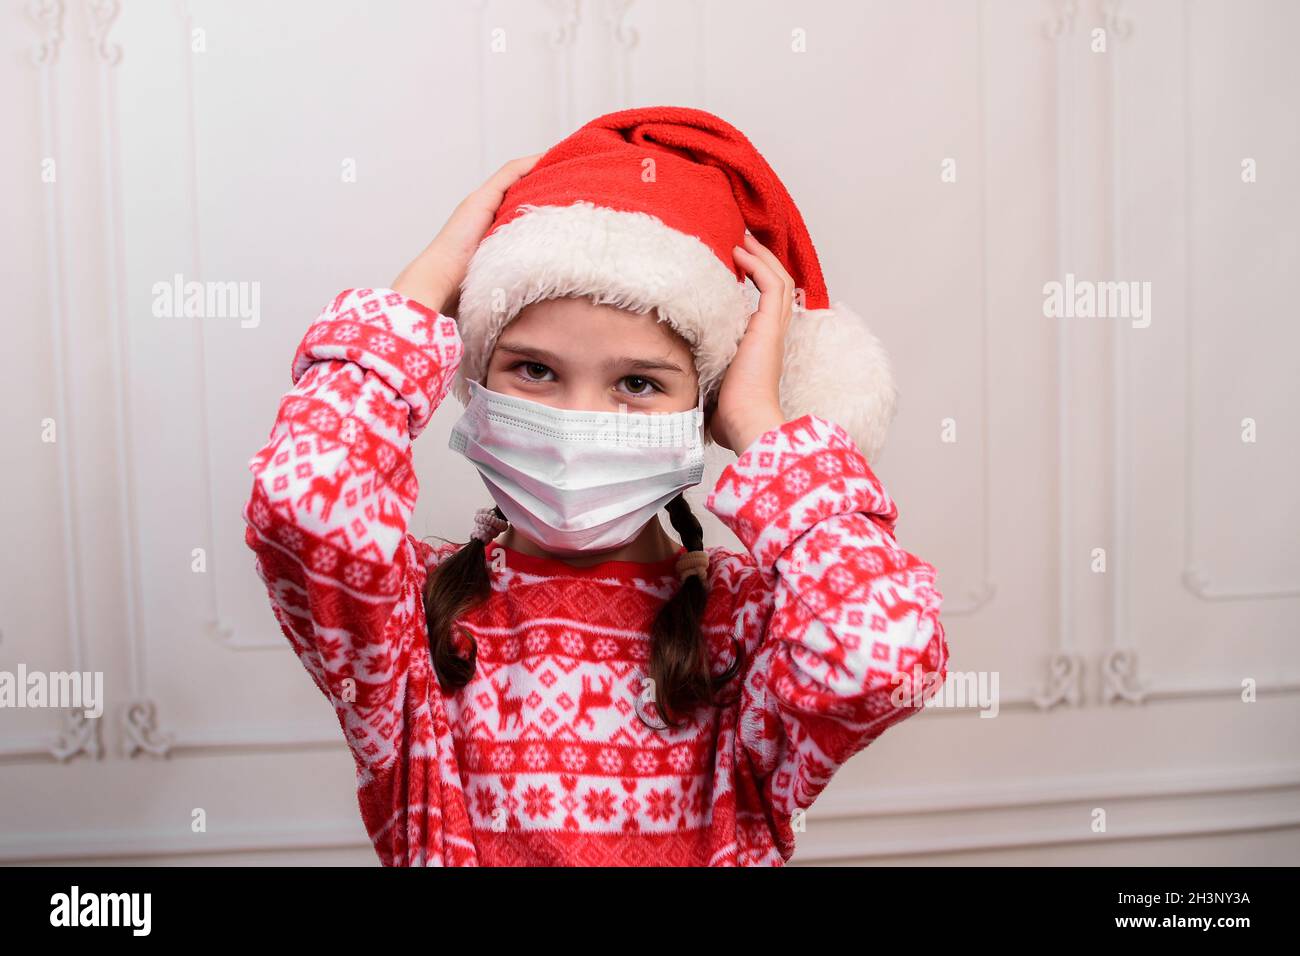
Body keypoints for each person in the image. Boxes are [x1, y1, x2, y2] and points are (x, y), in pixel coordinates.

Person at [243, 106, 947, 866]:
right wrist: (423, 288)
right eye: (534, 370)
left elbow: (891, 655)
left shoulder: (742, 626)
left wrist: (760, 425)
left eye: (639, 382)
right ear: (473, 378)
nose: (579, 423)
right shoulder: (407, 622)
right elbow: (302, 501)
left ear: (703, 406)